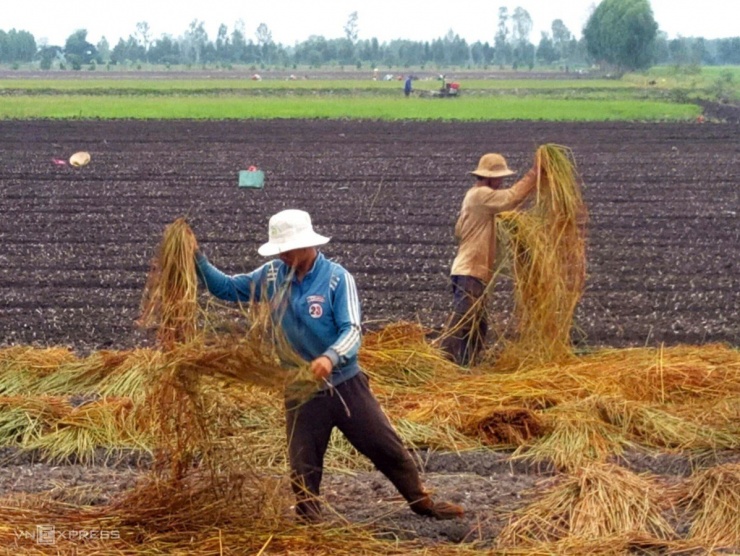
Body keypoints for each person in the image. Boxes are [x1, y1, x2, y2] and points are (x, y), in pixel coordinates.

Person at [193, 209, 464, 523]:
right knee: (303, 464)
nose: (281, 254)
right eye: (279, 249)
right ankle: (309, 520)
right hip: (300, 389)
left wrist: (329, 357)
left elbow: (352, 330)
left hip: (345, 384)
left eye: (286, 248)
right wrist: (197, 258)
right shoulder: (271, 275)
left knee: (385, 446)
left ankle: (421, 502)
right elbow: (226, 288)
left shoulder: (337, 279)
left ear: (305, 245)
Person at [440, 153, 540, 366]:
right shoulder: (480, 195)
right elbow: (511, 198)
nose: (502, 181)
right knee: (464, 320)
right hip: (470, 272)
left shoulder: (478, 201)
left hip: (473, 272)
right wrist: (535, 173)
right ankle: (440, 360)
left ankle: (469, 366)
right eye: (499, 178)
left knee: (477, 325)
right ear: (489, 178)